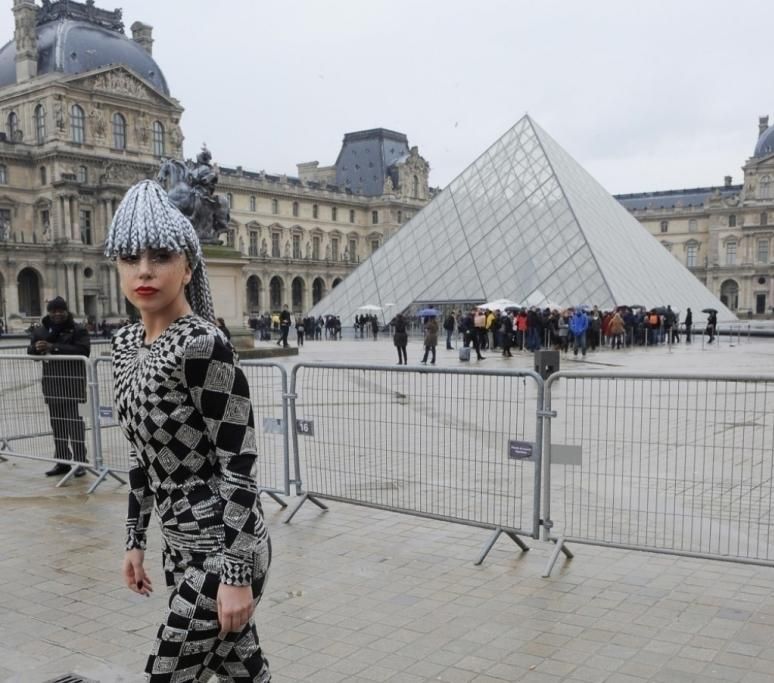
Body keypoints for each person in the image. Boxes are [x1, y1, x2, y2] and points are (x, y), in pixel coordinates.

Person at [106, 180, 271, 681]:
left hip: (224, 548)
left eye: (161, 256)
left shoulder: (203, 344)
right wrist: (134, 539)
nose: (144, 270)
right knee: (243, 674)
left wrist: (236, 574)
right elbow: (140, 454)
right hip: (178, 545)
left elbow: (239, 461)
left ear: (188, 266)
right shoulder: (124, 344)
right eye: (130, 257)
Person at [28, 296, 91, 478]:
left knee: (75, 424)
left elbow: (83, 351)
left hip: (74, 385)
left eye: (60, 311)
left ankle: (80, 461)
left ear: (66, 311)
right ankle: (62, 461)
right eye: (53, 311)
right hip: (52, 384)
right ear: (49, 312)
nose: (57, 314)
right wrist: (36, 348)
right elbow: (30, 351)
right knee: (58, 425)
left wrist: (53, 347)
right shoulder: (41, 330)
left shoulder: (78, 329)